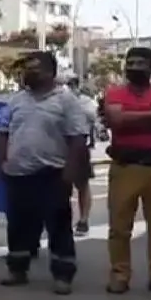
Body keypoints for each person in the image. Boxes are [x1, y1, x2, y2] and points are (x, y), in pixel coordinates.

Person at [0, 51, 88, 295]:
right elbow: (3, 132)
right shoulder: (16, 100)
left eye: (34, 68)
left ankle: (63, 274)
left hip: (52, 174)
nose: (28, 72)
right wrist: (2, 162)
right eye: (26, 68)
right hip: (18, 174)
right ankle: (17, 269)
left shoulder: (66, 101)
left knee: (58, 225)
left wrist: (70, 172)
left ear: (51, 72)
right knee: (18, 225)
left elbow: (78, 138)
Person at [103, 47, 151, 298]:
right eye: (131, 62)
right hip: (124, 167)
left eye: (141, 62)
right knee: (119, 227)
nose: (135, 67)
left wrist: (130, 116)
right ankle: (120, 276)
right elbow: (115, 120)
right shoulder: (114, 92)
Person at [66, 77, 98, 236]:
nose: (68, 87)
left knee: (82, 184)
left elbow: (93, 117)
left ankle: (84, 219)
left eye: (71, 84)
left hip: (79, 145)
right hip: (57, 146)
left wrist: (74, 103)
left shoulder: (85, 101)